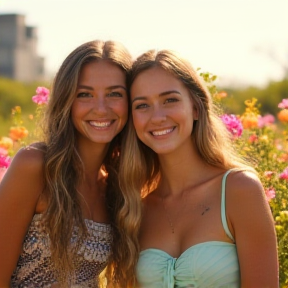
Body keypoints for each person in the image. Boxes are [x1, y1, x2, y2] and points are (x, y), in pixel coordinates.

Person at [119, 49, 279, 288]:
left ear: (195, 106)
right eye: (142, 105)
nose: (158, 116)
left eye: (170, 100)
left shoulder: (239, 189)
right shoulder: (136, 208)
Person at [0, 40, 138, 288]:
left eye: (115, 94)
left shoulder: (119, 184)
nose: (101, 108)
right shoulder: (37, 167)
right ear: (66, 101)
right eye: (84, 94)